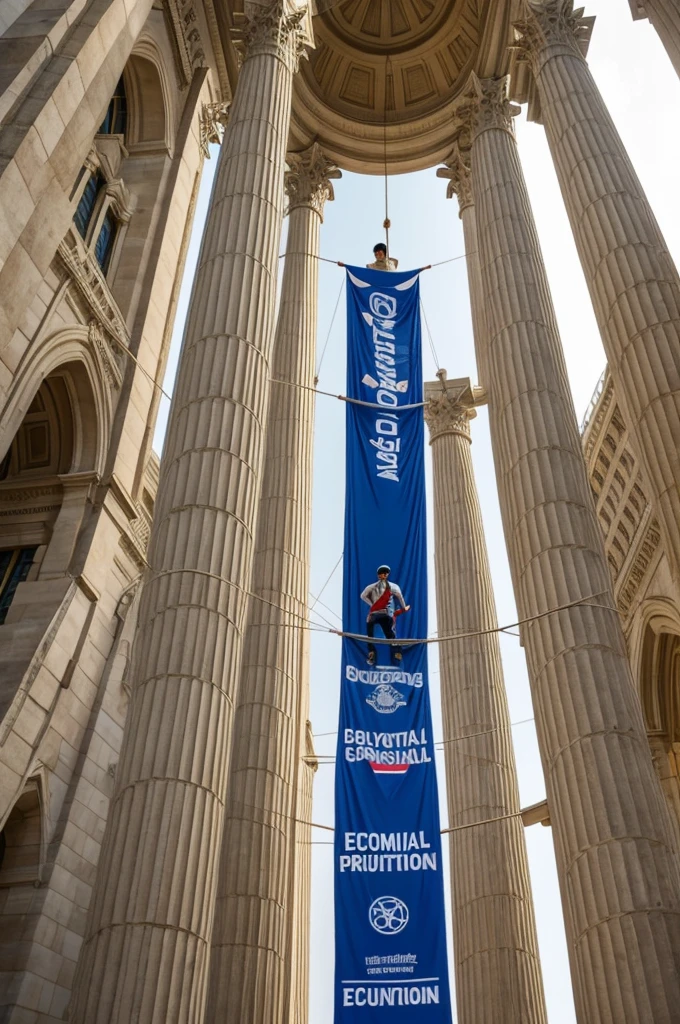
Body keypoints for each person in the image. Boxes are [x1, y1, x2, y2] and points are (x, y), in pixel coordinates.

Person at [360, 565, 410, 665]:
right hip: (385, 614)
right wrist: (404, 608)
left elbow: (363, 596)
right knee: (390, 635)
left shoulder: (372, 587)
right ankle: (396, 653)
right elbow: (400, 597)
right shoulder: (393, 586)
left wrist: (372, 604)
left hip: (375, 614)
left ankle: (372, 652)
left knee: (371, 633)